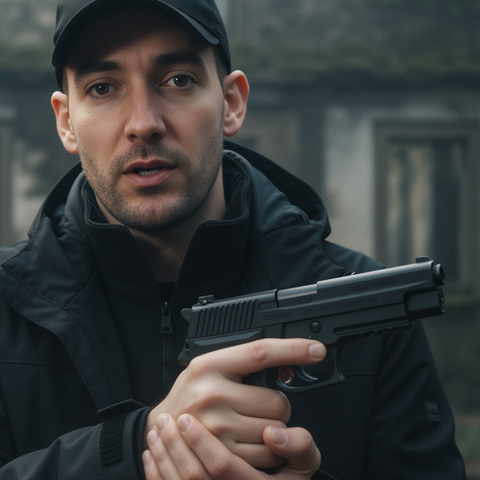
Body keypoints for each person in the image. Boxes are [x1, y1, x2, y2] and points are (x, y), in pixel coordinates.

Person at [0, 0, 466, 478]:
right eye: (102, 88)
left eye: (178, 80)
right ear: (66, 122)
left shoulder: (375, 318)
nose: (143, 123)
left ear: (232, 103)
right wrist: (137, 451)